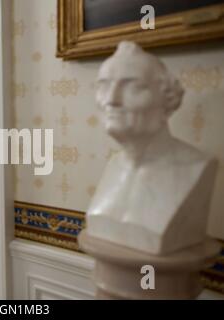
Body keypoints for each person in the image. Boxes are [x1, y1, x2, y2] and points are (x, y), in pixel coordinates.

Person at [85, 41, 218, 255]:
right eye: (104, 85)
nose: (111, 100)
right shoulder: (114, 166)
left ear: (168, 97)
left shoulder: (198, 167)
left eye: (133, 86)